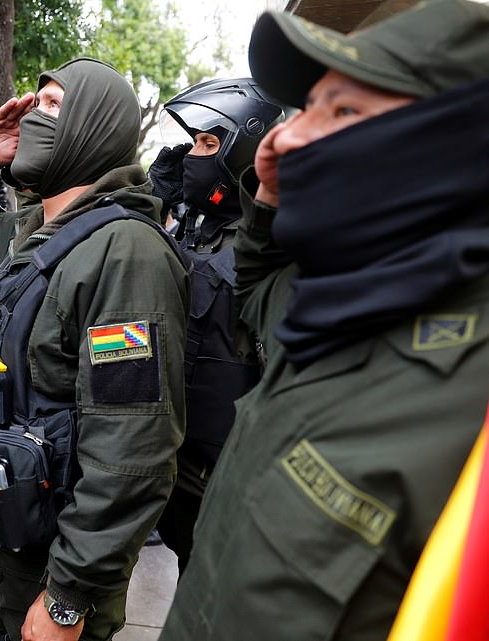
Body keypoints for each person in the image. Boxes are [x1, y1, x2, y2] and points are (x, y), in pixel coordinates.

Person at [162, 1, 489, 639]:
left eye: (342, 110)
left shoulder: (470, 404)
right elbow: (253, 286)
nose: (284, 137)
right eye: (305, 108)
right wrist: (270, 203)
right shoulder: (334, 302)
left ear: (453, 141)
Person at [0, 58, 188, 641]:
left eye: (50, 106)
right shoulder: (35, 235)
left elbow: (133, 446)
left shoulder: (125, 253)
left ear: (92, 128)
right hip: (17, 536)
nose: (29, 115)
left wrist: (70, 595)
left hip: (62, 563)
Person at [148, 78, 283, 572]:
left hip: (227, 474)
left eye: (208, 143)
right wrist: (151, 201)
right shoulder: (192, 230)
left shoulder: (267, 246)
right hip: (176, 463)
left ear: (241, 148)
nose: (192, 156)